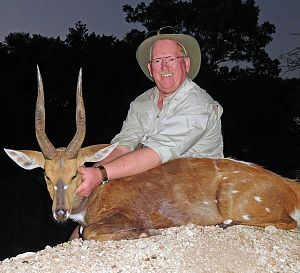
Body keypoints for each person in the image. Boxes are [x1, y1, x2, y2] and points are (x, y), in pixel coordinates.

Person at [76, 26, 223, 198]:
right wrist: (88, 174)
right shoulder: (141, 103)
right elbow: (124, 146)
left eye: (171, 59)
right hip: (155, 186)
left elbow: (156, 154)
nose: (165, 67)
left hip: (198, 193)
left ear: (186, 63)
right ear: (150, 68)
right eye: (158, 61)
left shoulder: (199, 104)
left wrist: (100, 175)